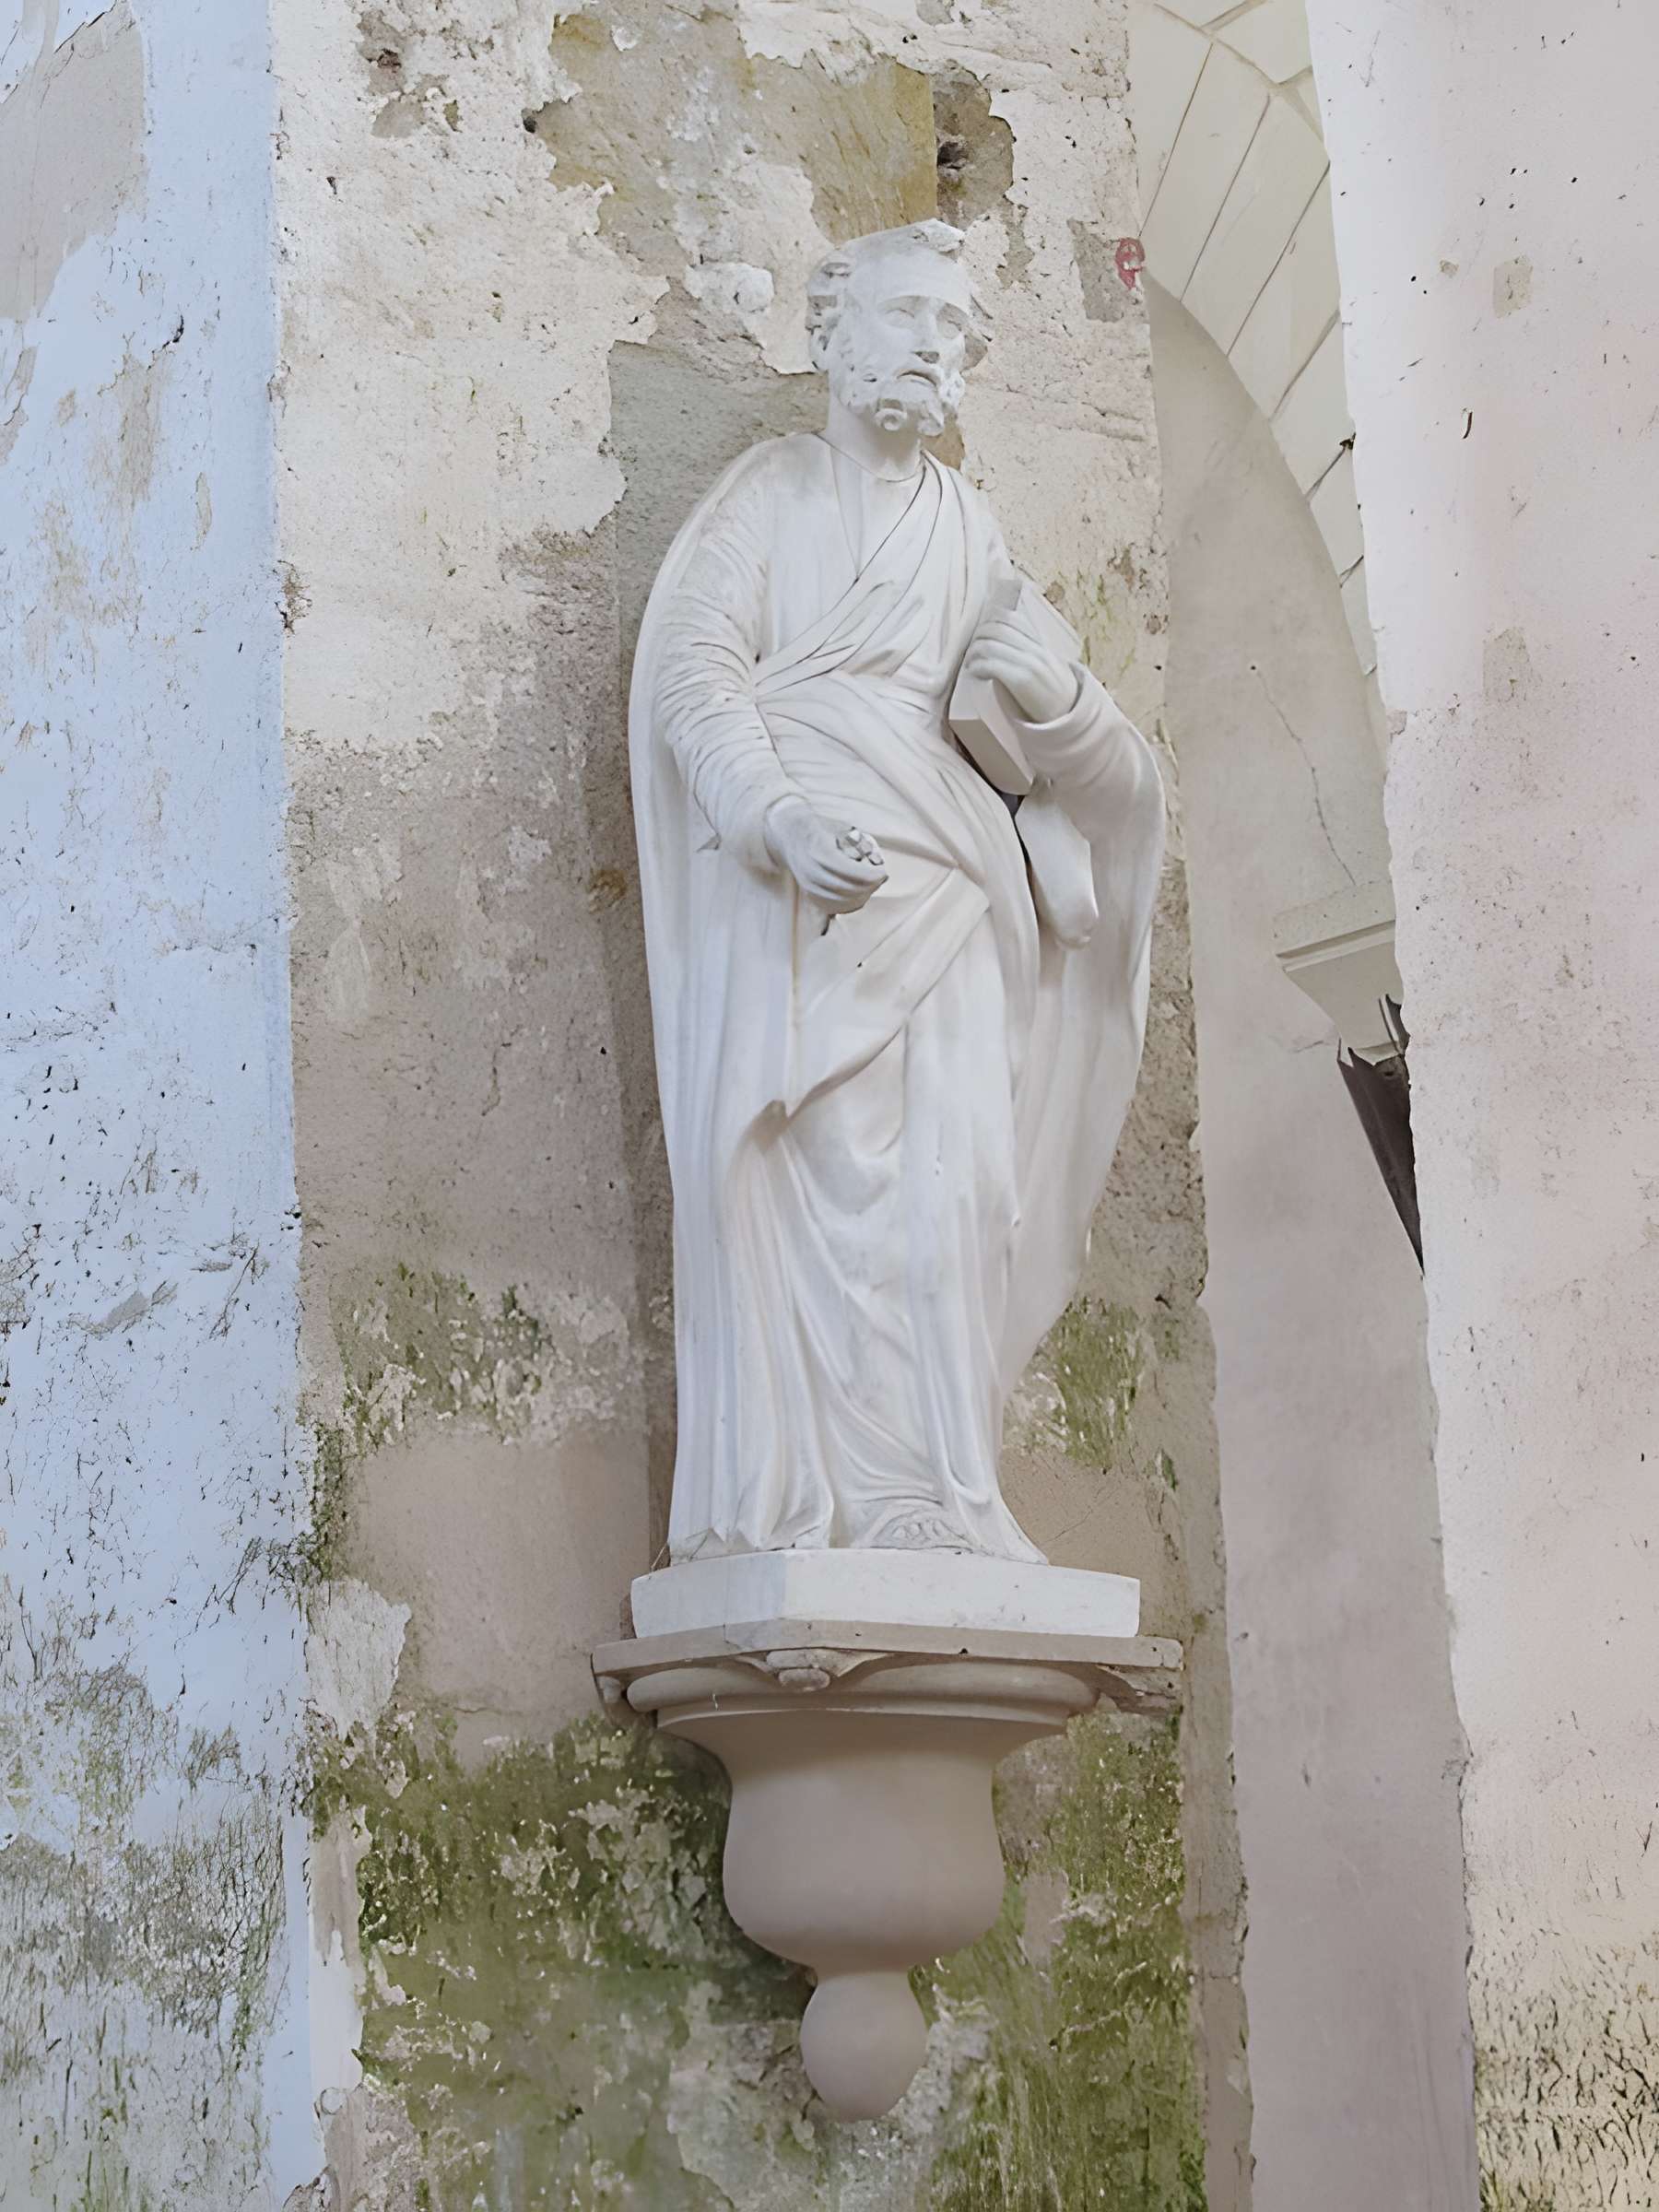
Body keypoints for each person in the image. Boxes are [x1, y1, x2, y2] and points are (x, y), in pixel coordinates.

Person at [630, 220, 1165, 1564]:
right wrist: (776, 815)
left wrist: (1054, 710)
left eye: (958, 327)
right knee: (811, 1179)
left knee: (960, 1193)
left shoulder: (968, 529)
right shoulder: (769, 498)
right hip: (805, 905)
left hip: (956, 900)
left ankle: (944, 1490)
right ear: (830, 331)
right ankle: (812, 1503)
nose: (938, 345)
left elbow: (1034, 710)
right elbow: (697, 676)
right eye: (912, 314)